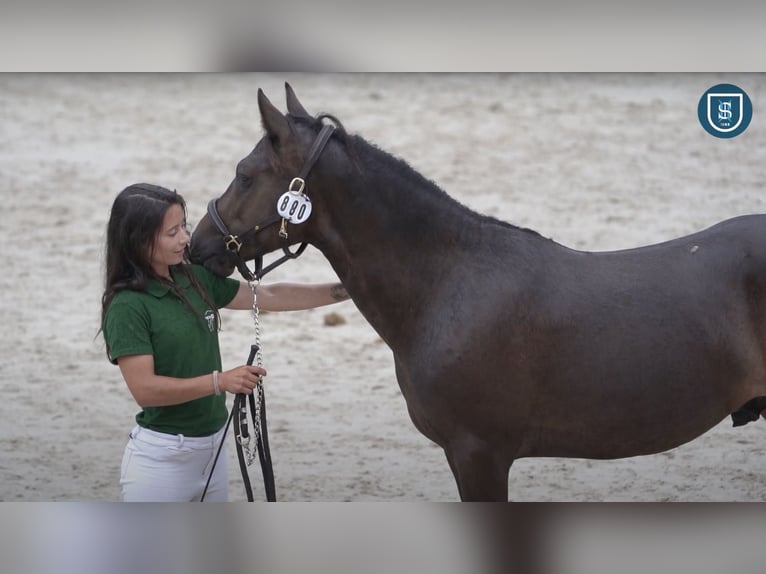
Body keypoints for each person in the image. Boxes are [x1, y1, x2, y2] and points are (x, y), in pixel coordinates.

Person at [101, 183, 349, 501]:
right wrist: (220, 381)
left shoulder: (195, 279)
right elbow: (145, 391)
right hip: (162, 461)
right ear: (139, 241)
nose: (186, 238)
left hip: (212, 452)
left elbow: (270, 295)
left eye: (184, 226)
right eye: (171, 232)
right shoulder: (127, 306)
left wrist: (349, 289)